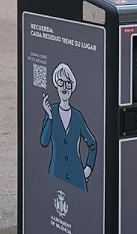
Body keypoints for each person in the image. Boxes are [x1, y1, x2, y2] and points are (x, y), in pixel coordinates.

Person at [40, 63, 97, 191]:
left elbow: (92, 143)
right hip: (56, 173)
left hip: (77, 176)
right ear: (56, 85)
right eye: (61, 83)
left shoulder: (77, 116)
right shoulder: (52, 111)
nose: (64, 87)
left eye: (68, 83)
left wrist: (88, 168)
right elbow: (44, 142)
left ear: (72, 87)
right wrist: (49, 117)